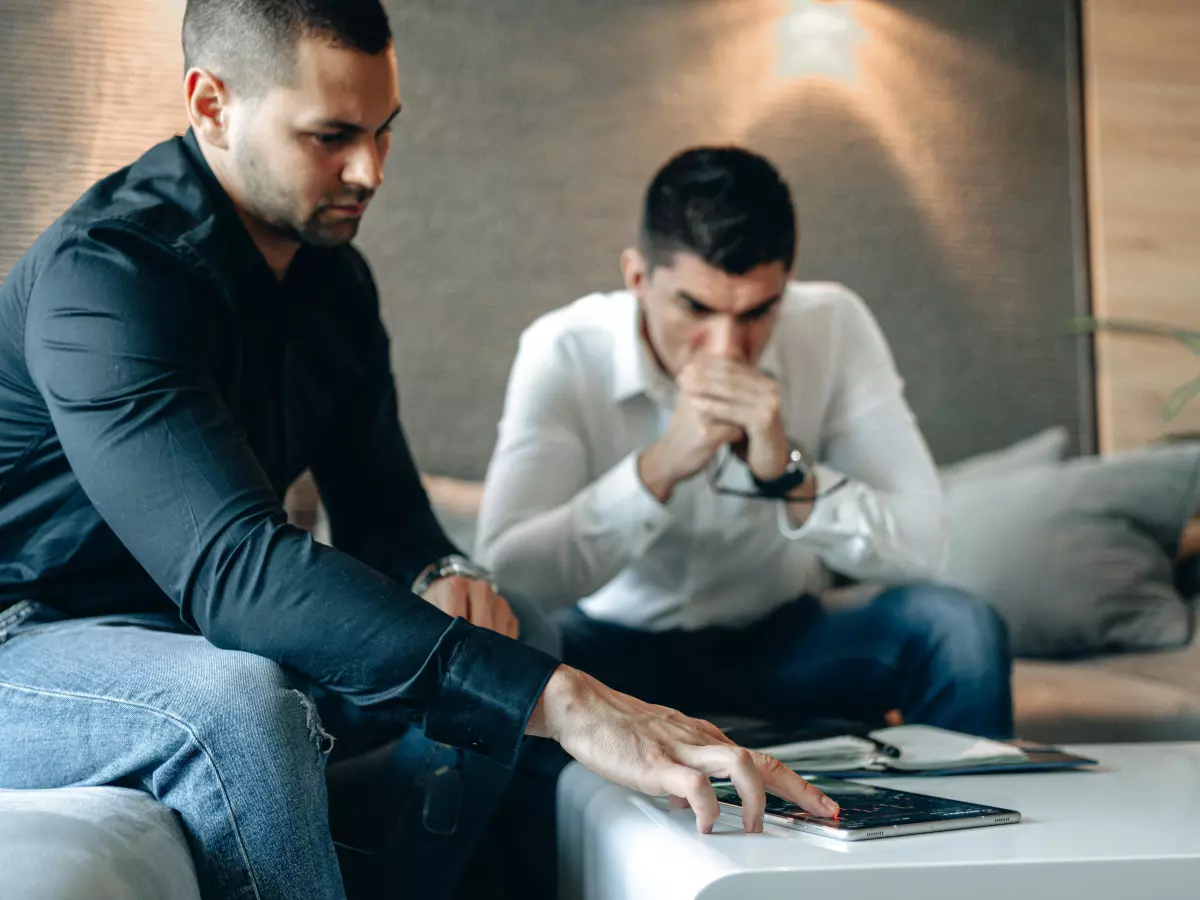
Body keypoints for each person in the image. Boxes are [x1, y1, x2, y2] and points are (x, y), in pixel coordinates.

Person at [0, 6, 837, 899]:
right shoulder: (108, 277)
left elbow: (387, 513)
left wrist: (443, 567)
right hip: (29, 639)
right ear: (211, 105)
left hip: (187, 632)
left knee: (512, 622)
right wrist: (564, 699)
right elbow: (236, 570)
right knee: (238, 707)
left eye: (382, 132)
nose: (370, 171)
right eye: (331, 137)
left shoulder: (333, 276)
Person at [476, 146, 1014, 740]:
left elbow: (923, 547)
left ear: (787, 282)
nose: (727, 348)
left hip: (781, 645)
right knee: (494, 644)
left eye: (759, 312)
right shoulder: (565, 349)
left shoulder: (834, 325)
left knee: (959, 629)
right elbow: (507, 573)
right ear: (637, 278)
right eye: (695, 308)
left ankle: (969, 832)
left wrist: (790, 477)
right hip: (605, 654)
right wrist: (655, 472)